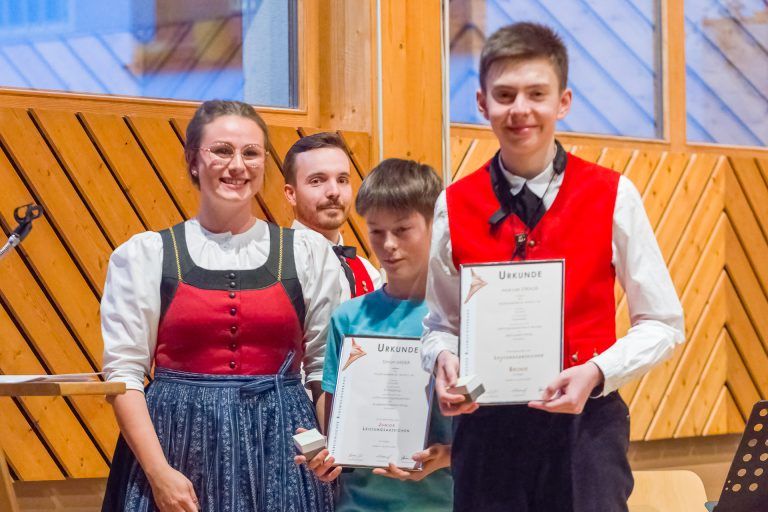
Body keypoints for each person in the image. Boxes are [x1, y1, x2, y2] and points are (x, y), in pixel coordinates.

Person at [421, 23, 685, 512]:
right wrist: (441, 360)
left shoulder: (613, 194)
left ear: (562, 102)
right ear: (482, 103)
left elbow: (664, 324)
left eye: (536, 94)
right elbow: (440, 324)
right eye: (505, 95)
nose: (520, 109)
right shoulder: (452, 205)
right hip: (487, 433)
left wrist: (598, 371)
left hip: (587, 431)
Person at [100, 100, 340, 512]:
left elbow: (323, 369)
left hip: (281, 447)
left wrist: (329, 447)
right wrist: (159, 474)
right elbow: (124, 376)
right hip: (177, 445)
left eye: (251, 153)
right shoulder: (147, 254)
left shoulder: (307, 254)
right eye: (222, 151)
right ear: (194, 160)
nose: (238, 165)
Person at [297, 159, 453, 511]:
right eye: (376, 231)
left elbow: (495, 436)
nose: (388, 245)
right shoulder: (349, 317)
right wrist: (324, 458)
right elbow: (338, 433)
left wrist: (447, 456)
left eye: (402, 229)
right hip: (359, 504)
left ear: (436, 225)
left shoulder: (456, 319)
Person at [283, 132, 383, 300]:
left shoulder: (369, 274)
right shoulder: (275, 266)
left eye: (342, 180)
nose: (334, 192)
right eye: (317, 181)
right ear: (291, 194)